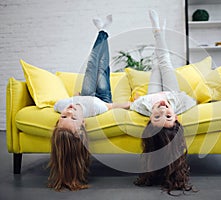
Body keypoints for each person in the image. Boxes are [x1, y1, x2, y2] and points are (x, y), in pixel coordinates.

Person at [48, 15, 130, 191]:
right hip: (101, 98)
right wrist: (131, 104)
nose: (69, 110)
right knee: (102, 67)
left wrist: (75, 97)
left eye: (64, 116)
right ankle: (105, 32)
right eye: (73, 117)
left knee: (91, 64)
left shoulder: (61, 105)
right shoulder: (96, 108)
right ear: (83, 122)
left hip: (85, 95)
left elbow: (64, 103)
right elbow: (112, 106)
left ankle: (101, 31)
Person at [132, 10, 196, 194]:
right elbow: (191, 100)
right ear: (175, 116)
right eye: (167, 115)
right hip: (171, 92)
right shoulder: (178, 104)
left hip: (151, 95)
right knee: (165, 62)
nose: (162, 109)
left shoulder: (145, 107)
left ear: (150, 118)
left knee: (154, 66)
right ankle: (159, 31)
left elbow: (134, 104)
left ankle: (161, 32)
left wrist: (136, 101)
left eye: (158, 116)